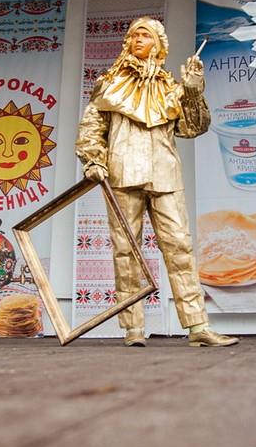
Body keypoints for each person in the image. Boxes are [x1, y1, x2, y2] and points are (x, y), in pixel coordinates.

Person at [76, 17, 238, 347]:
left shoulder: (170, 87)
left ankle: (197, 326)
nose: (138, 39)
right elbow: (92, 127)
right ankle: (133, 328)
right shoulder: (109, 84)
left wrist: (192, 90)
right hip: (122, 173)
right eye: (134, 35)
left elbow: (193, 128)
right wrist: (93, 159)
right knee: (126, 252)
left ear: (159, 45)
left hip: (165, 174)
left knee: (180, 248)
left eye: (146, 35)